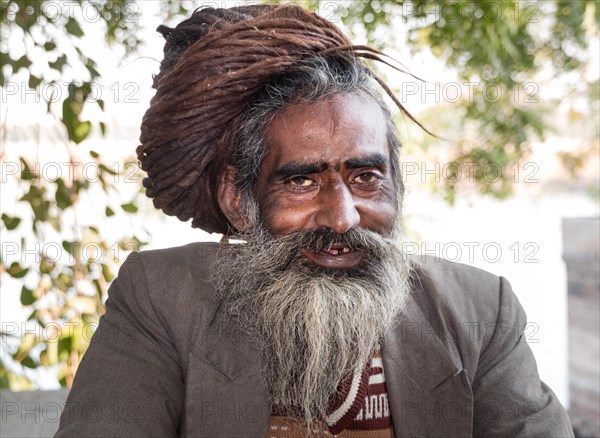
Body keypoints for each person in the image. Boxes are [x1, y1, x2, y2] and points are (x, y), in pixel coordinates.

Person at [56, 4, 573, 437]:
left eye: (367, 177)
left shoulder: (481, 311)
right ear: (239, 198)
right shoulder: (161, 299)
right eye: (301, 181)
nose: (343, 218)